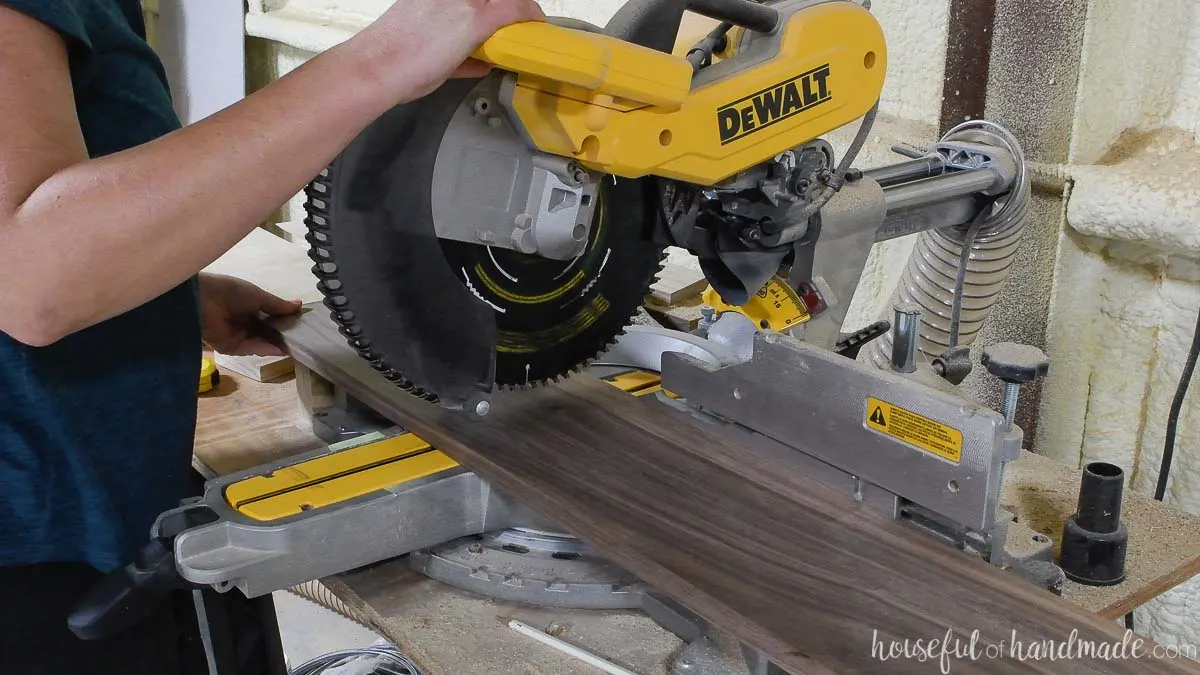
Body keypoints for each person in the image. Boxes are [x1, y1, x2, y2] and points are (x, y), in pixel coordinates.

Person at [0, 0, 546, 672]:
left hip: (91, 512)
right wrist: (387, 59)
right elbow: (29, 275)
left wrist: (167, 296)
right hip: (34, 570)